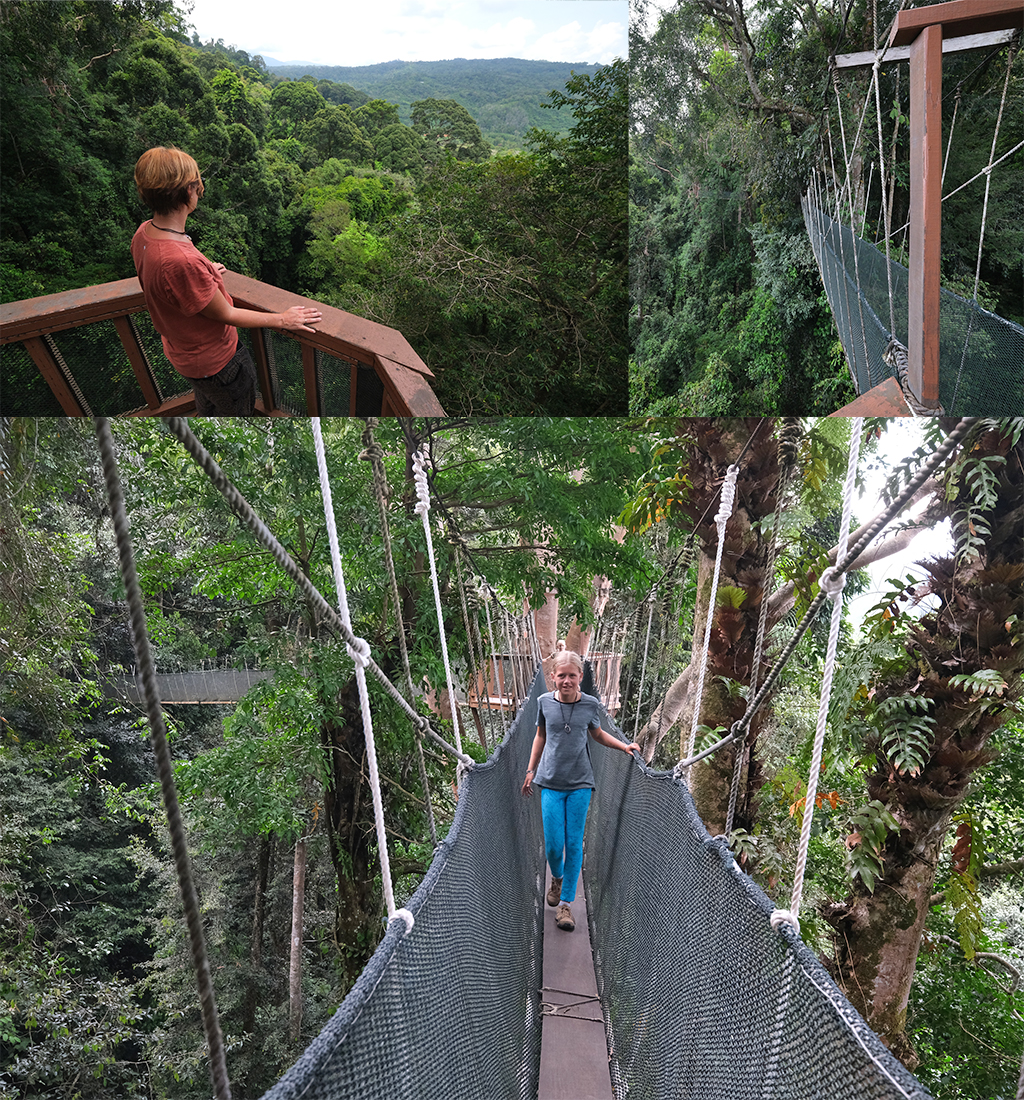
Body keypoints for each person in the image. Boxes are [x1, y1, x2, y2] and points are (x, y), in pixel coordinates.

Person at [131, 146, 322, 414]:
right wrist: (282, 319)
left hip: (184, 356)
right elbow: (226, 314)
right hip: (217, 363)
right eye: (197, 184)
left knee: (208, 403)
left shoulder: (144, 235)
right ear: (188, 191)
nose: (200, 189)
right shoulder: (181, 263)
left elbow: (168, 280)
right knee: (236, 412)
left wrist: (205, 274)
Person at [521, 650, 640, 932]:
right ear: (552, 677)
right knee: (553, 844)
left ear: (580, 677)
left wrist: (624, 746)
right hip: (549, 781)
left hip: (580, 783)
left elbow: (597, 734)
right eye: (561, 675)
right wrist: (530, 770)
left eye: (571, 676)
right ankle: (558, 877)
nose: (566, 681)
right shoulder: (543, 703)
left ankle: (565, 905)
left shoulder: (589, 705)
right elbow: (540, 735)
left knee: (573, 844)